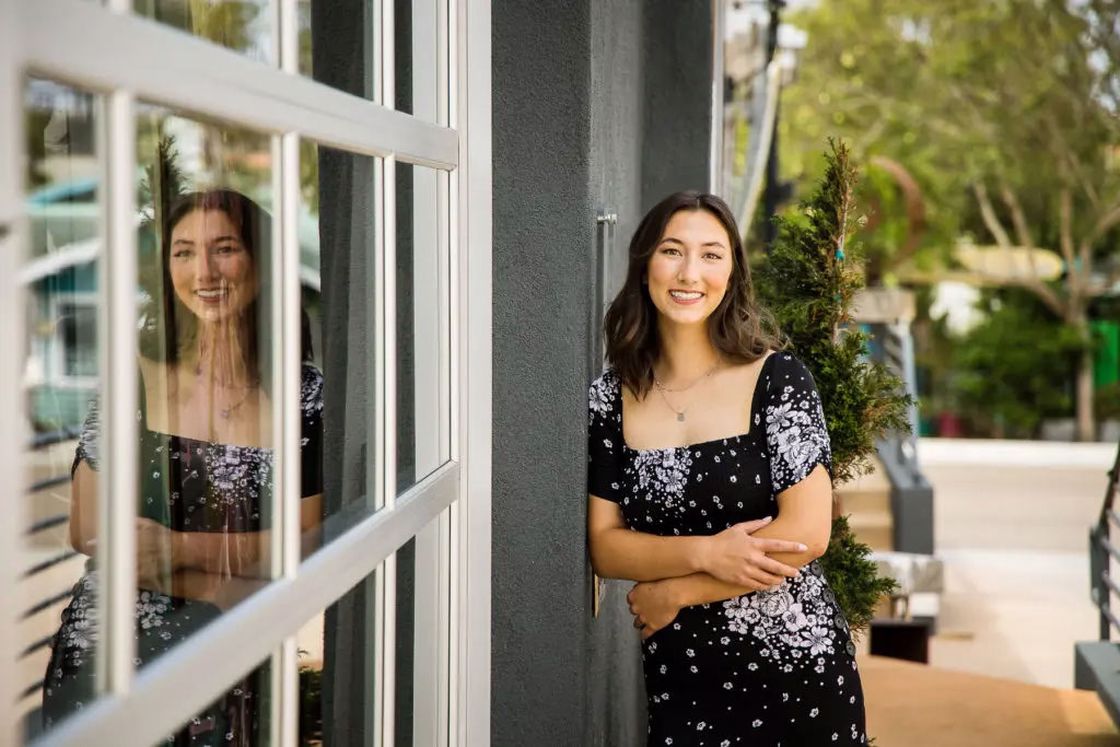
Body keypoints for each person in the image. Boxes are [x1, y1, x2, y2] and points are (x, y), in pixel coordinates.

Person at [42, 189, 324, 746]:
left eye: (225, 248)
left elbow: (310, 540)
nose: (204, 271)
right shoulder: (133, 379)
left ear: (262, 263)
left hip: (237, 655)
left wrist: (175, 552)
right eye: (183, 252)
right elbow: (90, 530)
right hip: (107, 661)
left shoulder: (304, 394)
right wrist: (234, 580)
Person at [587, 191, 866, 745]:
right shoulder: (608, 399)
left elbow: (807, 534)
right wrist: (706, 552)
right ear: (645, 264)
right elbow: (606, 546)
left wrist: (675, 591)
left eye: (712, 255)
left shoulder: (779, 379)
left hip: (799, 671)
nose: (691, 272)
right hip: (682, 675)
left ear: (732, 272)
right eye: (672, 250)